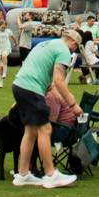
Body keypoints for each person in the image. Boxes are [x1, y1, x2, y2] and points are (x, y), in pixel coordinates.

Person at [10, 29, 81, 188]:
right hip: (31, 89)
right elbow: (58, 80)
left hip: (19, 85)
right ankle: (51, 175)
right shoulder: (63, 50)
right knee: (45, 129)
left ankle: (23, 174)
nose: (73, 51)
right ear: (74, 44)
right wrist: (72, 104)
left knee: (31, 130)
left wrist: (46, 86)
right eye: (75, 49)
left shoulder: (46, 44)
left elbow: (36, 67)